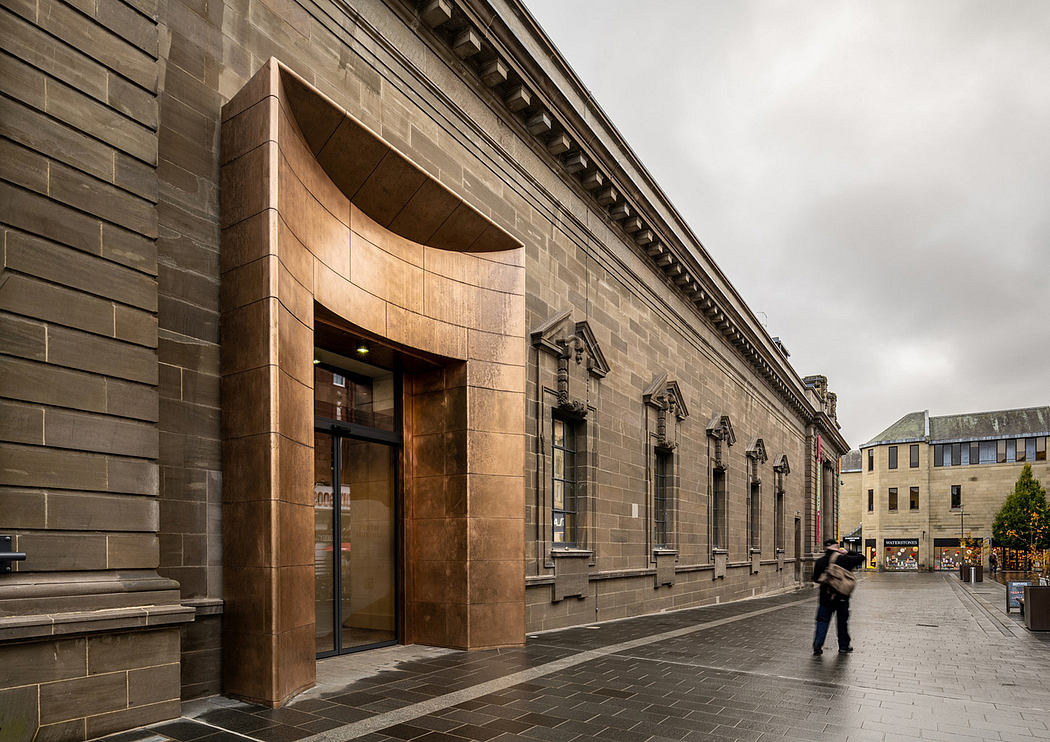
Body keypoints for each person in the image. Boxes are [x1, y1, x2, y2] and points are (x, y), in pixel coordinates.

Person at [812, 538, 865, 656]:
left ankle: (817, 645)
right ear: (836, 546)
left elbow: (815, 578)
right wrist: (848, 552)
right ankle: (843, 647)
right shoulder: (843, 559)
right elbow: (862, 557)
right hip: (842, 598)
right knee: (842, 622)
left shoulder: (820, 561)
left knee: (822, 621)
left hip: (825, 597)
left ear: (825, 547)